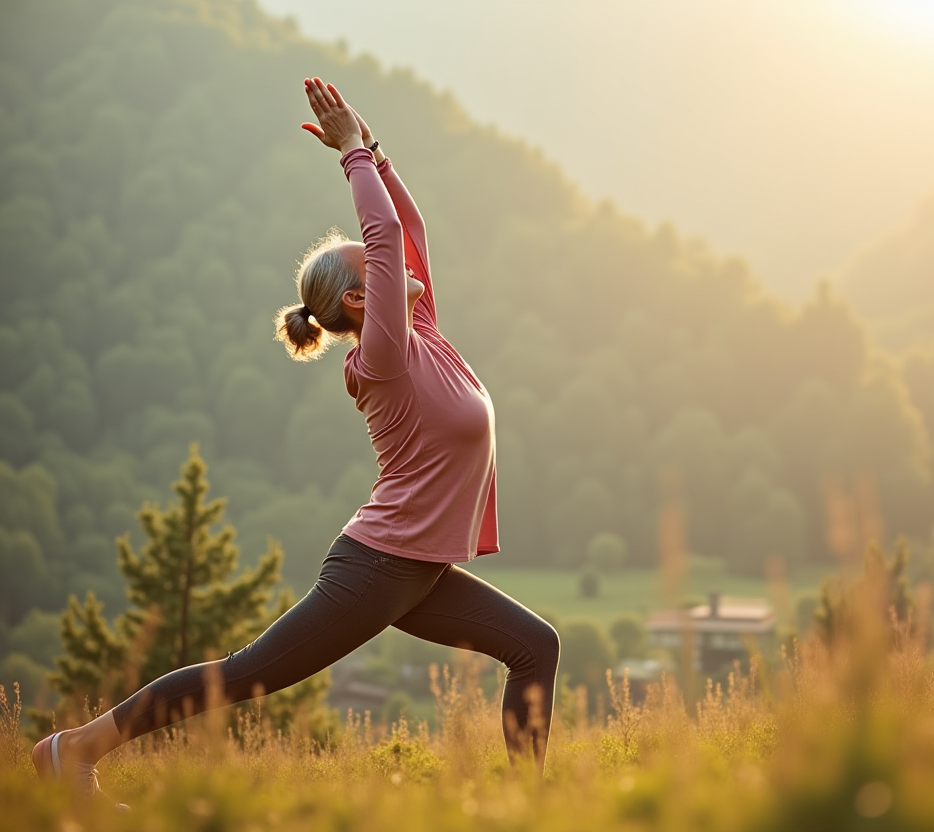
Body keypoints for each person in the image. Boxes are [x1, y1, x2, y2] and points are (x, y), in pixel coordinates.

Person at [33, 77, 561, 801]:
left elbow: (407, 232)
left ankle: (532, 807)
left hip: (417, 568)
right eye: (379, 268)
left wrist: (372, 147)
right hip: (378, 567)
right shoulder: (385, 359)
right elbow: (381, 234)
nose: (400, 264)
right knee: (245, 674)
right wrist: (350, 158)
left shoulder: (421, 328)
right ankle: (75, 750)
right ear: (358, 300)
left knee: (536, 646)